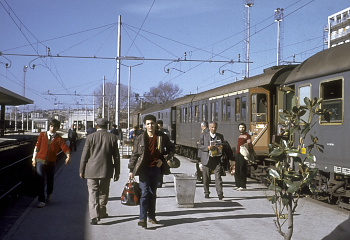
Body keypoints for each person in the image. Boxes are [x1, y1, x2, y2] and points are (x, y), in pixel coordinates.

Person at [128, 114, 174, 229]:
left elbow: (171, 149)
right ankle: (142, 218)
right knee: (144, 193)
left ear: (155, 124)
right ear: (145, 125)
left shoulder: (162, 136)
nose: (150, 126)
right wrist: (131, 169)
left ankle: (152, 216)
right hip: (143, 168)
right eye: (148, 124)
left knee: (152, 193)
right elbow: (135, 155)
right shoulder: (140, 138)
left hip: (156, 168)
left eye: (152, 123)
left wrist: (162, 160)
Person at [79, 118, 120, 225]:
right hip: (107, 169)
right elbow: (116, 156)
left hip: (91, 170)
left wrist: (81, 169)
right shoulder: (113, 138)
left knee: (93, 192)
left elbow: (84, 156)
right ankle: (101, 211)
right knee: (104, 191)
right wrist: (117, 171)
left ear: (96, 126)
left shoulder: (90, 137)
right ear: (107, 126)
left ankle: (94, 216)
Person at [32, 119, 71, 208]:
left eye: (53, 126)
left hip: (51, 161)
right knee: (40, 180)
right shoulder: (42, 135)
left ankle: (49, 194)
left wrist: (68, 156)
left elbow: (65, 147)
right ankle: (41, 200)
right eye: (50, 126)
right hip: (40, 160)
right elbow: (37, 147)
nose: (51, 128)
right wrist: (33, 158)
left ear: (57, 128)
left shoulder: (59, 139)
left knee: (50, 180)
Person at [198, 121, 225, 200]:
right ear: (209, 128)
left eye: (215, 127)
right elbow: (199, 145)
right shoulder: (204, 135)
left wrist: (221, 147)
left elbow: (223, 144)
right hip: (206, 159)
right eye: (212, 127)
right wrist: (207, 148)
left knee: (218, 177)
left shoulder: (220, 136)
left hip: (216, 159)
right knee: (206, 177)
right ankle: (206, 192)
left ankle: (220, 194)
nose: (214, 129)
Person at [234, 123, 253, 191]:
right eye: (240, 127)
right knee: (237, 170)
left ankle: (243, 185)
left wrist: (248, 148)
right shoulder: (240, 136)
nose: (241, 129)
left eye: (243, 127)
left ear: (245, 128)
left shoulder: (247, 135)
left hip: (243, 154)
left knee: (242, 169)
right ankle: (238, 184)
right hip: (238, 154)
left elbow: (250, 144)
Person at [156, 120, 170, 188]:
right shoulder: (154, 133)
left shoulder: (165, 132)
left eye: (160, 126)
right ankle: (157, 181)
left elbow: (168, 142)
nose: (159, 128)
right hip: (155, 152)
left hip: (162, 152)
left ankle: (160, 182)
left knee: (161, 168)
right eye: (158, 127)